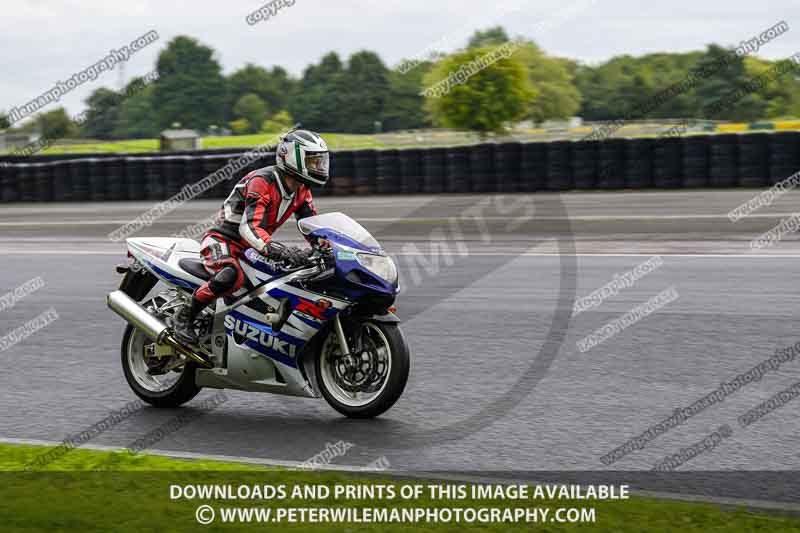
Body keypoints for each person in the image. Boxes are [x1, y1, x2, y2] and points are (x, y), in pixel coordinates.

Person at [172, 129, 330, 345]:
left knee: (284, 280)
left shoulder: (302, 189)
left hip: (252, 248)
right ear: (293, 157)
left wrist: (327, 246)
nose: (318, 166)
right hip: (223, 240)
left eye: (320, 161)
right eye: (312, 161)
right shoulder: (262, 181)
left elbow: (313, 226)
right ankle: (184, 316)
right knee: (231, 275)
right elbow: (249, 228)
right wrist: (280, 250)